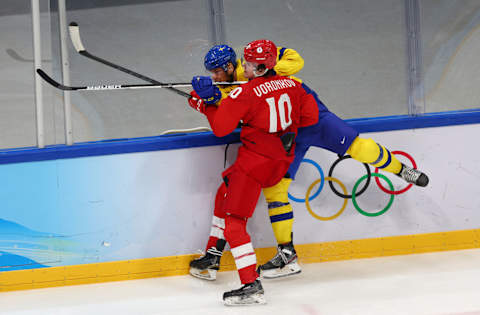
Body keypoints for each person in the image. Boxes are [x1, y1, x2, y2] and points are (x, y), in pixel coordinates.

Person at [189, 43, 429, 280]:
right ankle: (287, 253)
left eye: (217, 71)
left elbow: (296, 61)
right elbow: (229, 110)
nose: (215, 76)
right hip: (285, 134)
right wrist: (209, 99)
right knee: (276, 191)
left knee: (357, 146)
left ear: (234, 65)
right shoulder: (231, 89)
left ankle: (401, 170)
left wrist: (270, 72)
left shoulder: (256, 64)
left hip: (313, 118)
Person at [187, 39, 319, 305]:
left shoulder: (243, 93)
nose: (242, 67)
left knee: (235, 222)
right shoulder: (295, 85)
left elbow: (221, 128)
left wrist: (207, 104)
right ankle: (213, 256)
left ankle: (250, 284)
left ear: (259, 67)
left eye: (246, 63)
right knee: (225, 189)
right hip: (280, 161)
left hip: (254, 165)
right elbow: (311, 118)